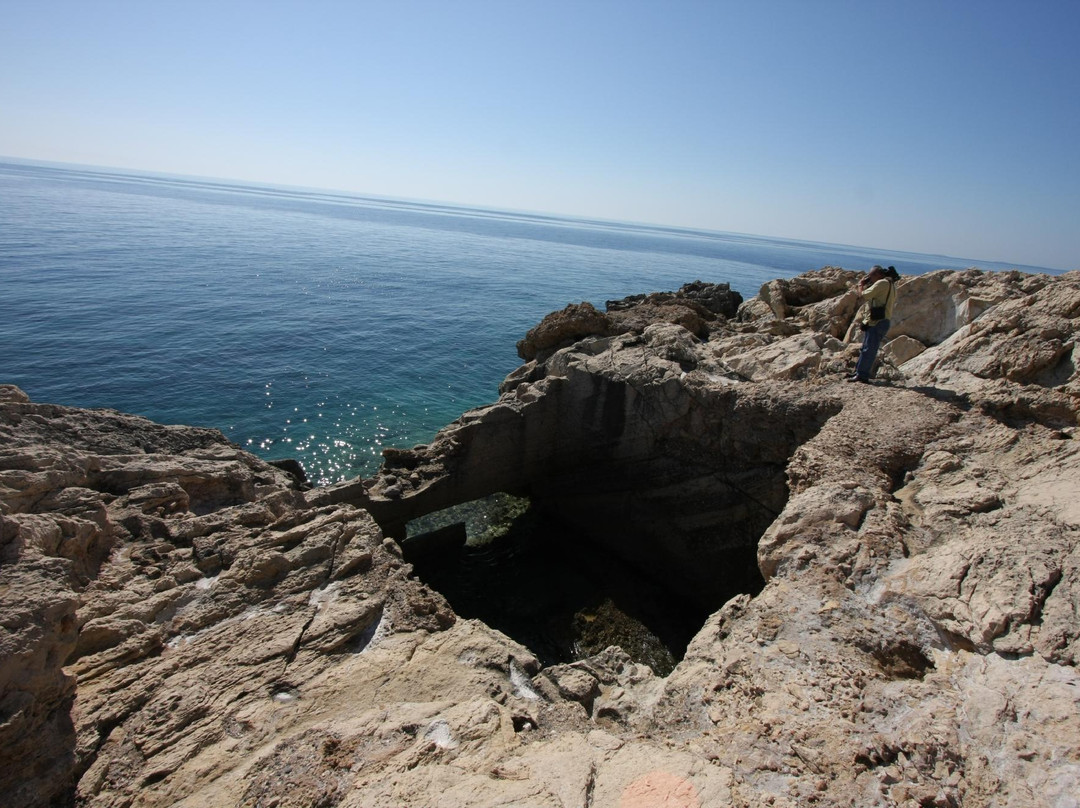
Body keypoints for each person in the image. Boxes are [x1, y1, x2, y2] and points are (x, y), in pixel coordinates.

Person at [849, 265, 900, 383]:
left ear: (879, 275)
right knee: (866, 348)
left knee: (869, 349)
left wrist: (861, 285)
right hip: (878, 321)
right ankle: (858, 371)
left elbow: (864, 295)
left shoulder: (882, 283)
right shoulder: (890, 284)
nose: (870, 278)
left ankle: (862, 375)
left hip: (878, 322)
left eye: (871, 275)